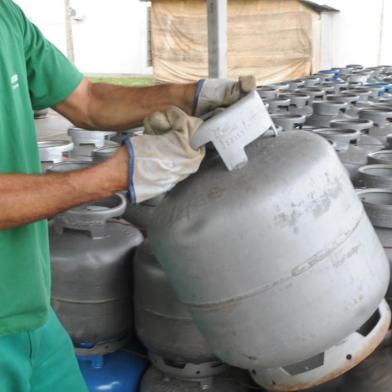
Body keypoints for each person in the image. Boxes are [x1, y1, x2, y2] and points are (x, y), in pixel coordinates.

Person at [0, 0, 256, 390]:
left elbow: (88, 100)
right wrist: (120, 173)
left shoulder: (7, 16)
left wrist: (193, 94)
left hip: (32, 312)